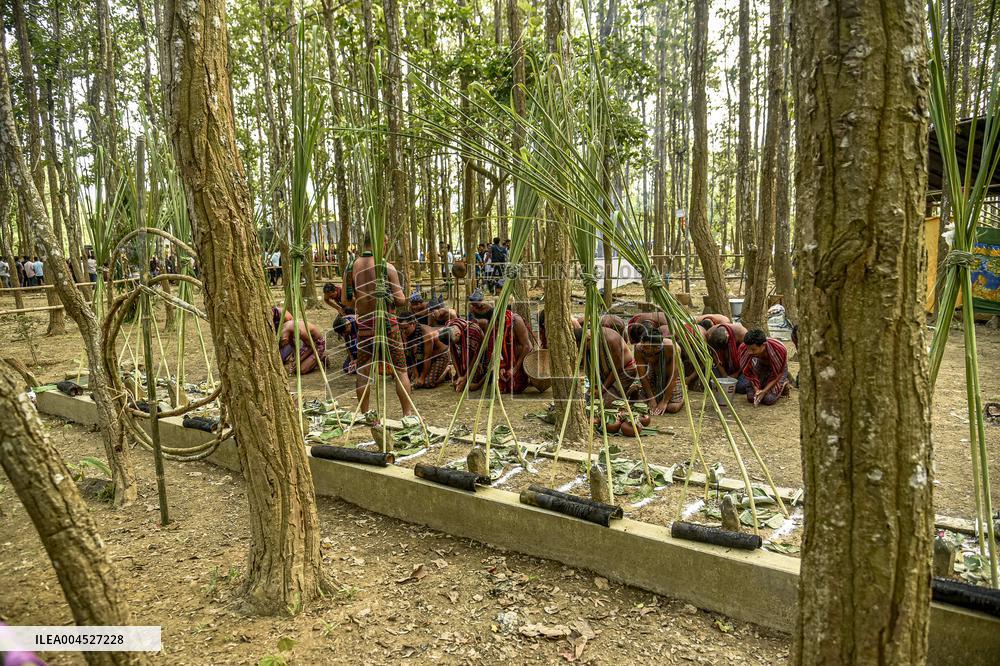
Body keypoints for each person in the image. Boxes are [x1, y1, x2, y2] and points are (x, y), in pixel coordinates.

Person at [342, 233, 414, 416]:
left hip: (365, 325)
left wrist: (364, 299)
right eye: (386, 243)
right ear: (379, 242)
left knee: (364, 370)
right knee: (400, 370)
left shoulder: (351, 268)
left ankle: (364, 414)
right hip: (389, 325)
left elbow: (347, 302)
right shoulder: (386, 267)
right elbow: (400, 300)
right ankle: (407, 414)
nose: (386, 246)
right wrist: (385, 295)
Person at [629, 321, 683, 415]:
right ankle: (639, 390)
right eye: (642, 343)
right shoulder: (639, 349)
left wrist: (664, 401)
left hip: (670, 376)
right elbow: (642, 376)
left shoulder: (671, 348)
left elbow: (673, 377)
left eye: (646, 347)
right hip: (653, 371)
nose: (642, 348)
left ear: (657, 347)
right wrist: (651, 399)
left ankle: (682, 397)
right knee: (641, 404)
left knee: (672, 408)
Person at [576, 324, 637, 405]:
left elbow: (617, 370)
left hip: (624, 371)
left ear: (588, 340)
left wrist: (602, 389)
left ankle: (629, 391)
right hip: (605, 374)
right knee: (587, 401)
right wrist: (595, 387)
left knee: (604, 403)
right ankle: (619, 393)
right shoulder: (588, 344)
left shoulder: (611, 339)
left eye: (581, 347)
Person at [400, 311, 453, 389]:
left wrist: (422, 377)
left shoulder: (427, 334)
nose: (404, 331)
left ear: (413, 324)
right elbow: (410, 354)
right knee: (411, 378)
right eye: (402, 329)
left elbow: (427, 358)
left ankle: (446, 370)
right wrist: (417, 376)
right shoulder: (405, 334)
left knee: (428, 383)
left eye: (405, 328)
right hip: (424, 358)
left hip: (440, 356)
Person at [738, 328, 790, 406]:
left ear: (764, 345)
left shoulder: (779, 350)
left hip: (779, 369)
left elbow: (778, 373)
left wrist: (764, 391)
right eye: (748, 349)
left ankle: (784, 382)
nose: (749, 352)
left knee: (768, 399)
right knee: (751, 397)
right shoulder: (744, 348)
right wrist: (757, 390)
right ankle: (765, 383)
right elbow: (748, 372)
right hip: (761, 364)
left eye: (753, 349)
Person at [445, 317, 491, 393]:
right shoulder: (449, 327)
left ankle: (488, 375)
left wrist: (465, 378)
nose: (456, 344)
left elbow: (476, 357)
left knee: (471, 387)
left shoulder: (472, 332)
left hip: (479, 360)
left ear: (458, 334)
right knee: (455, 383)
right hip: (464, 360)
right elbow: (452, 353)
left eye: (456, 342)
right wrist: (460, 376)